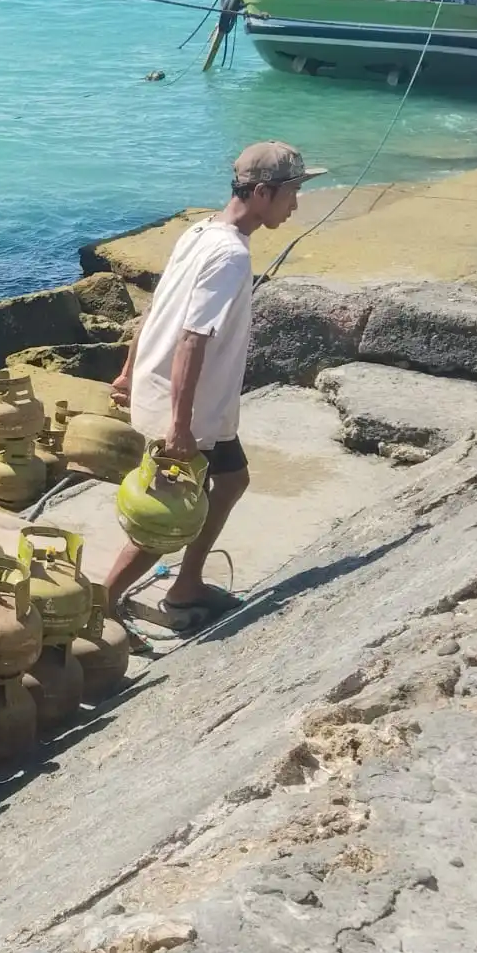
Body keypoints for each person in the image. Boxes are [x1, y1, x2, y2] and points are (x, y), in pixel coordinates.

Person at [103, 141, 324, 634]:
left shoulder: (201, 231)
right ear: (263, 193)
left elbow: (156, 310)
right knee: (162, 519)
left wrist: (127, 371)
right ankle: (101, 603)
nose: (296, 205)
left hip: (198, 406)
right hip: (190, 411)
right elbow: (190, 340)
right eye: (292, 193)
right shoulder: (229, 258)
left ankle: (187, 585)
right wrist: (179, 426)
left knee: (232, 480)